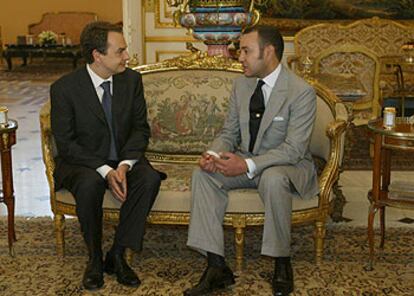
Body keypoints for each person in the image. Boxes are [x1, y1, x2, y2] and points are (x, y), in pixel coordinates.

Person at [185, 25, 318, 296]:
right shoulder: (241, 85)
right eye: (240, 50)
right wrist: (213, 155)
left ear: (268, 52)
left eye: (246, 50)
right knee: (204, 175)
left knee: (273, 177)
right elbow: (229, 133)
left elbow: (294, 149)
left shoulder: (301, 91)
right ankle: (216, 266)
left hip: (289, 166)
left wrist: (245, 165)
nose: (240, 57)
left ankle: (282, 262)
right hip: (248, 161)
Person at [50, 21, 162, 291]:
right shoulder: (65, 89)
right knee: (89, 184)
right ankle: (94, 259)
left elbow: (139, 130)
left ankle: (118, 254)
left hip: (122, 157)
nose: (127, 56)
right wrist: (104, 169)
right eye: (120, 51)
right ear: (97, 56)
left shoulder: (131, 80)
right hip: (83, 161)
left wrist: (123, 166)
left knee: (148, 178)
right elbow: (66, 143)